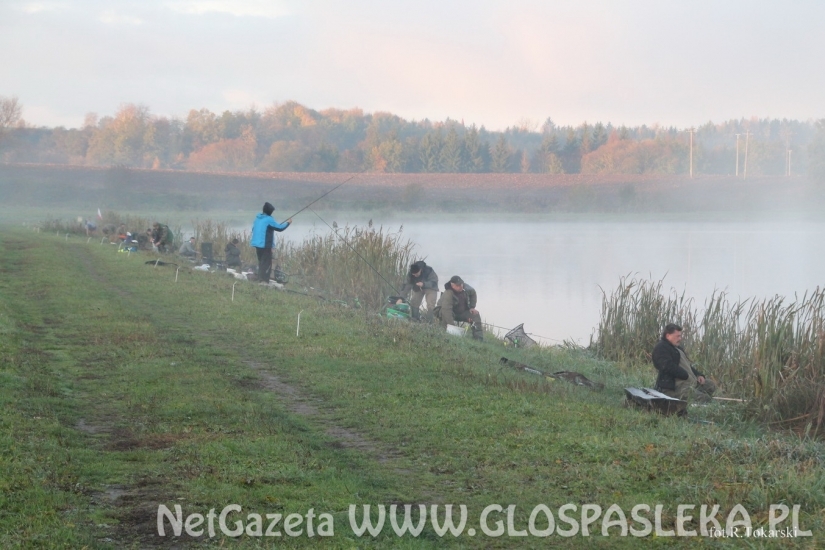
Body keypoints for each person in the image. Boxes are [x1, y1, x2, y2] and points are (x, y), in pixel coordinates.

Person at [652, 323, 716, 403]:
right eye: (677, 336)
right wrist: (685, 375)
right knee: (704, 399)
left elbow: (688, 366)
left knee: (710, 385)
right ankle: (694, 401)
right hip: (673, 387)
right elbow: (666, 366)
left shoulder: (677, 348)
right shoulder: (661, 348)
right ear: (668, 336)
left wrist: (698, 375)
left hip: (690, 382)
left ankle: (695, 394)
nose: (680, 339)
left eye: (680, 336)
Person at [251, 202, 292, 283]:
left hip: (257, 244)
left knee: (261, 262)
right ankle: (264, 281)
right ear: (270, 212)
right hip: (265, 245)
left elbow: (253, 229)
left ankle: (260, 279)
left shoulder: (257, 219)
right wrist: (288, 223)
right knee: (266, 264)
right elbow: (280, 228)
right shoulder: (269, 219)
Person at [435, 275, 483, 340]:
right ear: (452, 285)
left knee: (475, 315)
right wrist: (453, 326)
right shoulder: (448, 293)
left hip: (462, 312)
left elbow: (473, 293)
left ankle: (478, 338)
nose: (460, 286)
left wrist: (472, 307)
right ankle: (446, 335)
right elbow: (446, 311)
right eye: (458, 285)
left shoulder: (465, 287)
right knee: (445, 314)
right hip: (446, 311)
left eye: (461, 284)